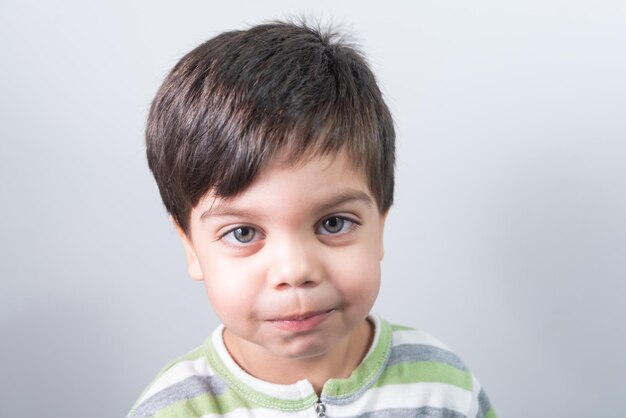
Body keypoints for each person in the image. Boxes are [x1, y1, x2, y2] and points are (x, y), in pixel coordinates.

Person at [128, 21, 496, 418]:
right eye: (243, 232)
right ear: (191, 247)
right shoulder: (175, 410)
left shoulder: (442, 387)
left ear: (380, 228)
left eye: (334, 224)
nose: (295, 271)